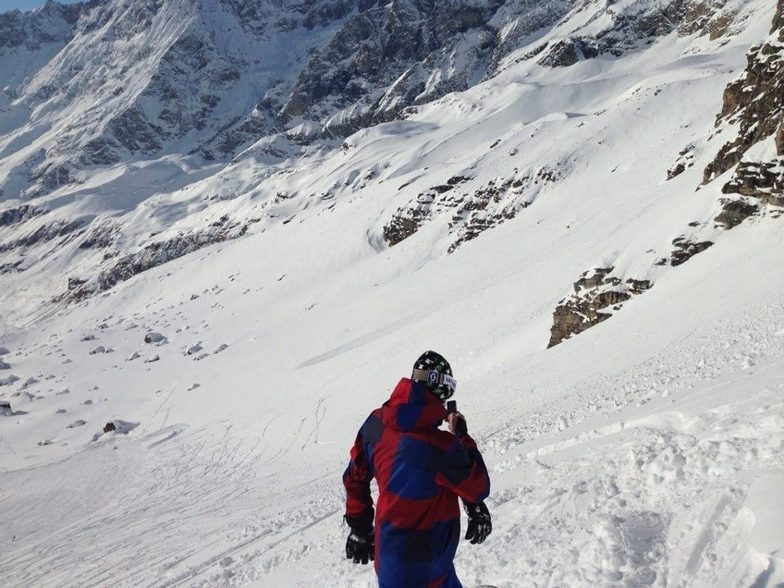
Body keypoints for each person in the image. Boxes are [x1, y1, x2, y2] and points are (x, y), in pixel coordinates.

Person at [343, 350, 492, 587]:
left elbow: (355, 478)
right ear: (440, 390)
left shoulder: (376, 423)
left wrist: (359, 526)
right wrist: (461, 435)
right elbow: (478, 485)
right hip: (427, 569)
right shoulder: (439, 445)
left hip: (394, 561)